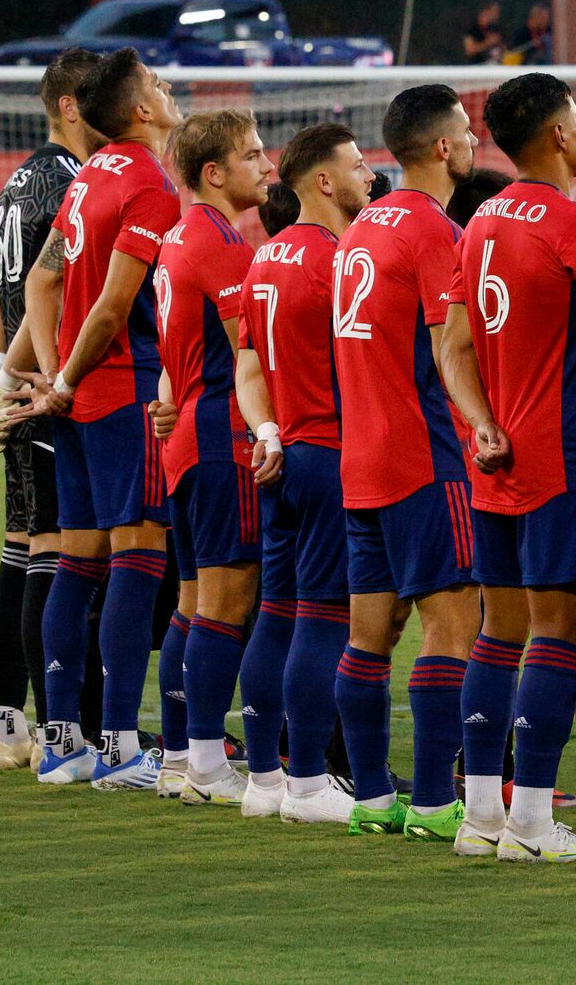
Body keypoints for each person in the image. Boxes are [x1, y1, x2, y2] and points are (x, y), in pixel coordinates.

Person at [436, 70, 576, 864]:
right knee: (561, 636)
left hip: (494, 461)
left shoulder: (481, 220)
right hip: (563, 461)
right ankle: (530, 821)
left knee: (500, 634)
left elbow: (452, 346)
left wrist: (482, 423)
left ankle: (482, 812)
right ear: (557, 134)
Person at [20, 48, 185, 786]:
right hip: (120, 390)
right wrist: (67, 375)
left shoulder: (87, 176)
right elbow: (118, 303)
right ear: (141, 111)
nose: (167, 89)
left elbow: (43, 278)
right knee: (139, 559)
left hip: (81, 398)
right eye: (156, 84)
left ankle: (62, 742)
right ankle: (119, 745)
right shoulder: (149, 182)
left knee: (75, 562)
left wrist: (57, 374)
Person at [332, 84, 481, 841]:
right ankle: (430, 800)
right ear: (445, 147)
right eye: (466, 130)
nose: (474, 139)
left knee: (368, 635)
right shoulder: (433, 231)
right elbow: (446, 347)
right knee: (453, 623)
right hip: (422, 454)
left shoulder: (360, 228)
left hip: (361, 456)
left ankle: (370, 797)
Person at [222, 122, 370, 820]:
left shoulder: (266, 258)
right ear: (322, 181)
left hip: (281, 457)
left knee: (275, 616)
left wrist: (267, 432)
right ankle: (309, 782)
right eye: (358, 166)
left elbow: (247, 369)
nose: (368, 177)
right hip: (333, 455)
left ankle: (264, 781)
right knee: (323, 617)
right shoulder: (341, 261)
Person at [0, 47, 99, 766]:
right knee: (56, 548)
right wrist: (36, 377)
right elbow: (46, 299)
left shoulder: (12, 185)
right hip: (54, 385)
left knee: (20, 547)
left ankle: (9, 727)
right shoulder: (74, 186)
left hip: (21, 383)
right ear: (72, 106)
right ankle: (62, 734)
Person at [150, 110, 277, 805]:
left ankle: (179, 755)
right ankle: (204, 763)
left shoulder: (179, 239)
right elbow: (248, 353)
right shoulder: (222, 242)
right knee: (227, 605)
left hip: (189, 438)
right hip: (224, 437)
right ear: (213, 173)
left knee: (195, 604)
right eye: (252, 155)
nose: (267, 166)